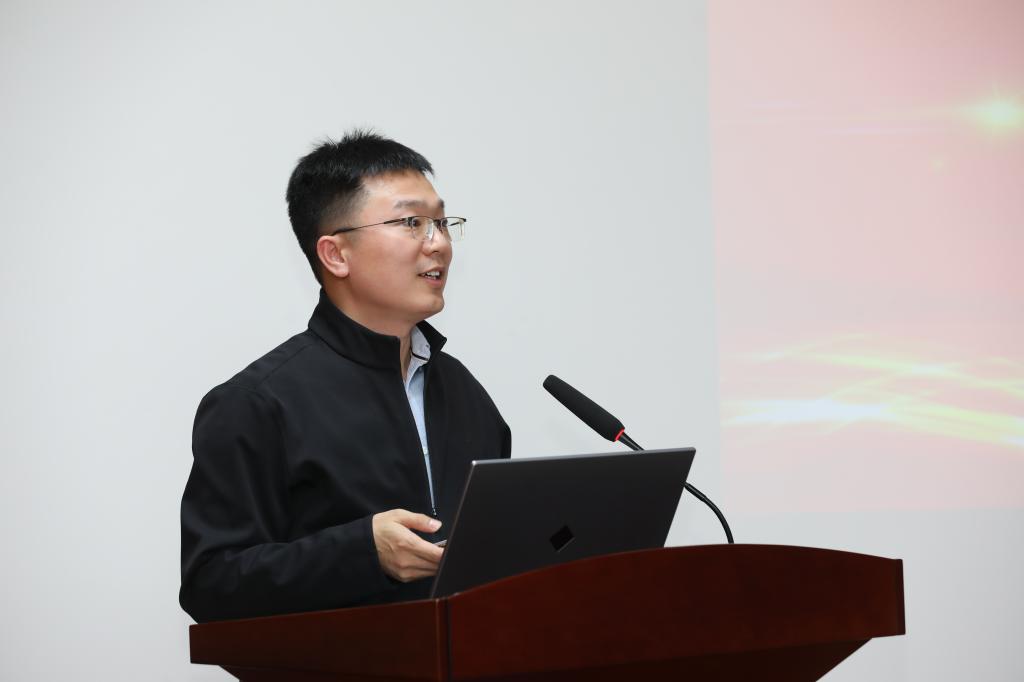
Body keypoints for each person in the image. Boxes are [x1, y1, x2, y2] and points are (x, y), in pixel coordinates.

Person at [179, 131, 511, 623]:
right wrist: (362, 553)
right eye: (412, 222)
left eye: (441, 223)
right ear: (336, 254)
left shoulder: (465, 393)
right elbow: (211, 583)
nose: (439, 243)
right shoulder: (257, 403)